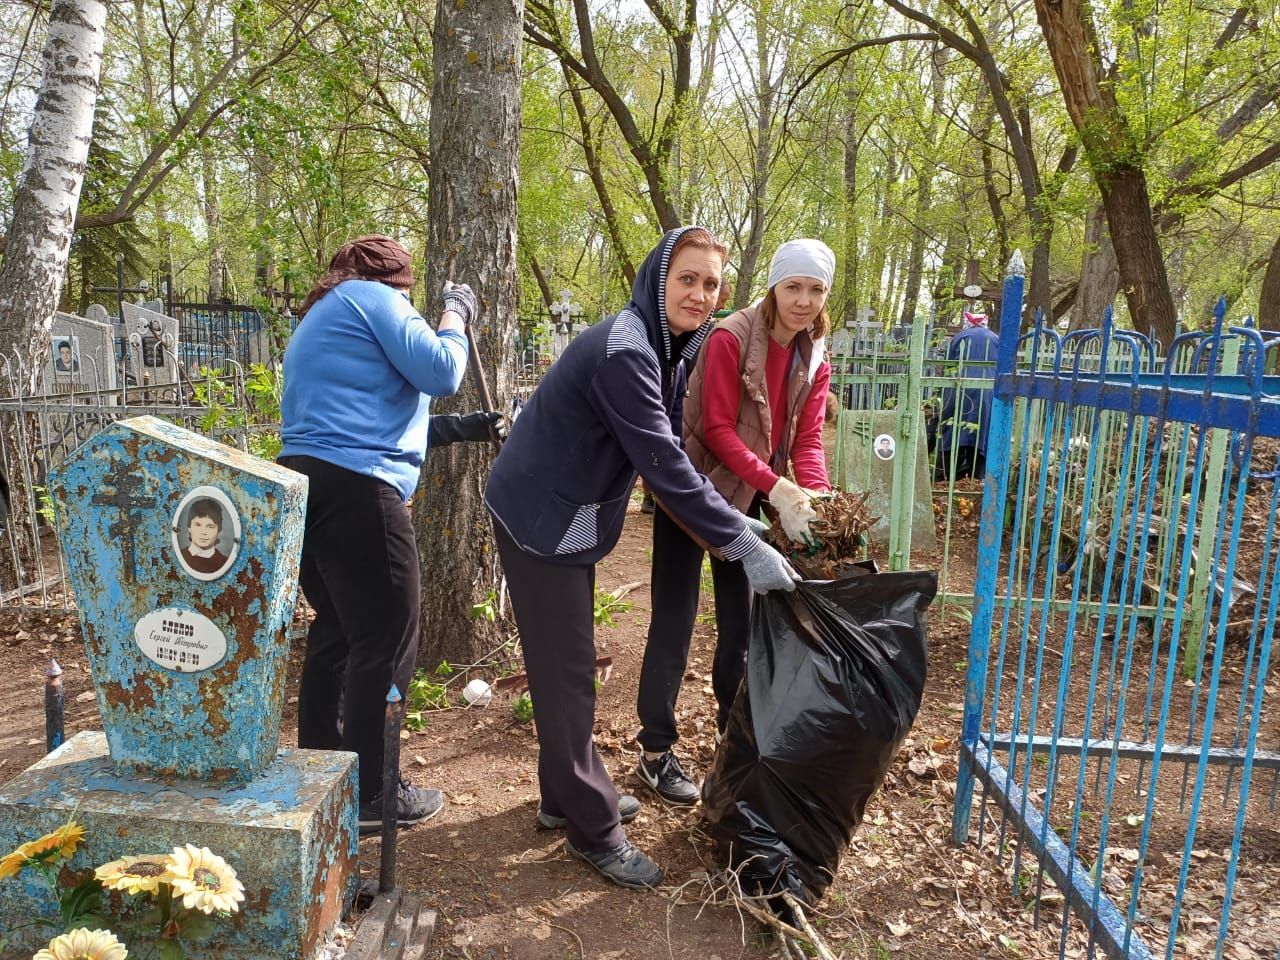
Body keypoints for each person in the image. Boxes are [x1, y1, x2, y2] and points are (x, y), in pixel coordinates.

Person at [485, 227, 797, 890]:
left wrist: (738, 523)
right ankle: (592, 829)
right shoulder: (627, 351)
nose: (699, 294)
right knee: (568, 670)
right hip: (540, 516)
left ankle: (558, 795)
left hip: (567, 513)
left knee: (562, 663)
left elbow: (669, 459)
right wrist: (744, 539)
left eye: (711, 283)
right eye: (687, 278)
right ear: (659, 278)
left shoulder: (669, 348)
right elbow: (664, 463)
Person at [277, 234, 476, 834]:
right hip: (359, 492)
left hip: (309, 485)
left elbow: (377, 417)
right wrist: (455, 315)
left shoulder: (326, 314)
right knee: (388, 633)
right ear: (398, 281)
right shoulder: (373, 298)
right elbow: (442, 370)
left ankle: (321, 770)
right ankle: (370, 792)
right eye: (410, 293)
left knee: (340, 631)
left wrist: (464, 429)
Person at [634, 238, 835, 804]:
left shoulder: (814, 357)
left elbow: (809, 438)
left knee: (742, 632)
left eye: (815, 289)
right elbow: (719, 430)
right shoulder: (729, 338)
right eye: (792, 286)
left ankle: (735, 741)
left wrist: (813, 494)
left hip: (749, 500)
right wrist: (780, 486)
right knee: (673, 624)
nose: (802, 301)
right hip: (692, 493)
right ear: (773, 286)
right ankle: (656, 751)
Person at [934, 309, 999, 482]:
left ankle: (944, 478)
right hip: (987, 393)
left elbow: (948, 368)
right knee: (982, 432)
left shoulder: (959, 338)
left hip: (959, 391)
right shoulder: (995, 339)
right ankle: (977, 478)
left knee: (952, 430)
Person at [180, 498, 230, 574]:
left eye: (210, 526)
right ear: (189, 527)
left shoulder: (225, 563)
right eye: (198, 525)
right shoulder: (179, 556)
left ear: (218, 530)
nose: (203, 532)